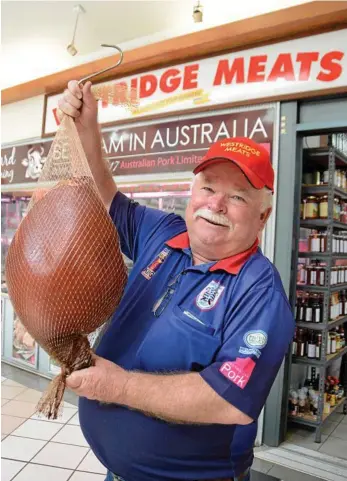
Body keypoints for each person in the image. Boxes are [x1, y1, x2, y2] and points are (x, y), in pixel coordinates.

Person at [59, 80, 295, 481]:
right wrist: (87, 129)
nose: (216, 204)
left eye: (238, 196)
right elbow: (104, 198)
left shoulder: (260, 292)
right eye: (208, 188)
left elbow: (227, 400)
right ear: (192, 193)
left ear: (263, 217)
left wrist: (116, 387)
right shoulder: (163, 232)